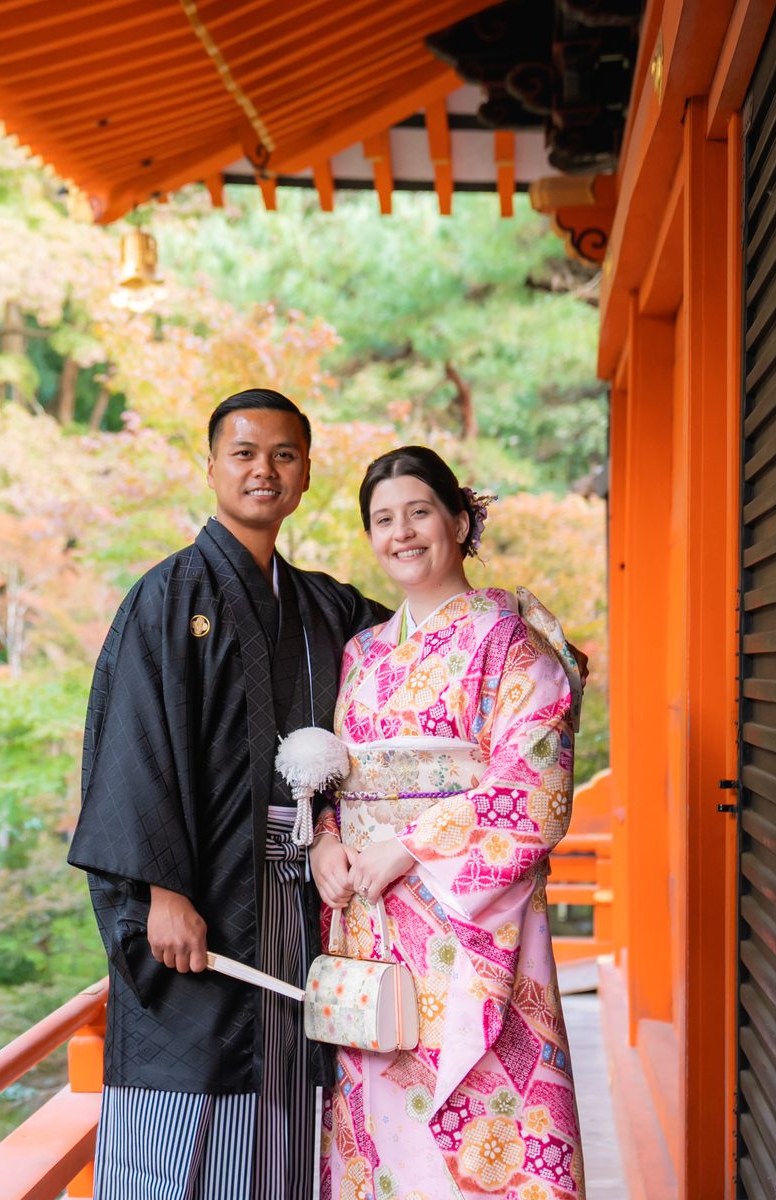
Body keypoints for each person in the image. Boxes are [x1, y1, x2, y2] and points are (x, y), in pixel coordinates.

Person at [69, 388, 389, 1200]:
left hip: (299, 899)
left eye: (284, 455)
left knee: (288, 1098)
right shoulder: (168, 596)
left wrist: (509, 629)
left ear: (306, 474)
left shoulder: (327, 606)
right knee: (187, 1095)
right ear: (211, 466)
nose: (263, 471)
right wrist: (162, 891)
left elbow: (426, 648)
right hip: (200, 898)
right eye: (244, 453)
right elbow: (134, 742)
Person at [311, 445, 586, 1200]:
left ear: (460, 522)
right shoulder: (361, 653)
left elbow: (535, 784)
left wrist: (408, 847)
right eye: (383, 520)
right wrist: (327, 839)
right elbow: (342, 777)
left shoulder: (509, 641)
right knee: (380, 1114)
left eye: (419, 513)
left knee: (478, 1110)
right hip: (370, 922)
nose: (401, 533)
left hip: (464, 923)